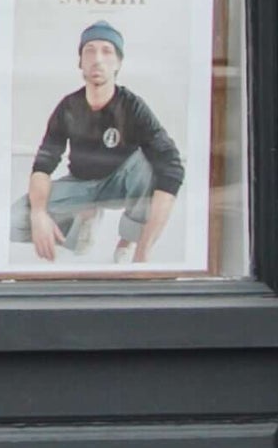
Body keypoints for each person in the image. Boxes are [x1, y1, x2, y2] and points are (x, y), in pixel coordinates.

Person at [27, 19, 185, 264]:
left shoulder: (133, 107)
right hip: (82, 182)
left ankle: (129, 241)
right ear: (80, 62)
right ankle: (87, 214)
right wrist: (38, 214)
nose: (97, 59)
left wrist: (145, 250)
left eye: (107, 51)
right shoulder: (68, 107)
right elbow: (43, 164)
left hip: (122, 182)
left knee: (149, 162)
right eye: (89, 51)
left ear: (118, 63)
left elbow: (172, 166)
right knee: (19, 216)